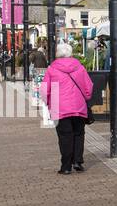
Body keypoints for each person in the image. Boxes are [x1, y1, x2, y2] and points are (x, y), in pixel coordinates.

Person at [41, 41, 95, 175]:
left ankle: (65, 166)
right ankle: (77, 161)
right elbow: (89, 87)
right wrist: (86, 98)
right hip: (78, 106)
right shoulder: (80, 67)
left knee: (65, 136)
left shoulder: (52, 69)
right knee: (78, 134)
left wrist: (48, 101)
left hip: (60, 108)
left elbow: (44, 90)